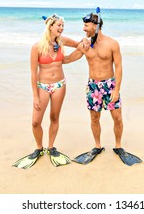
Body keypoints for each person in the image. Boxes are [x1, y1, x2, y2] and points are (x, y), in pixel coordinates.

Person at [63, 9, 142, 166]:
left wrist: (116, 89)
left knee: (117, 118)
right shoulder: (85, 45)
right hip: (93, 86)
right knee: (94, 118)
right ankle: (97, 146)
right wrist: (51, 54)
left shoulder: (112, 44)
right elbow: (67, 59)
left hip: (110, 85)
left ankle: (118, 146)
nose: (83, 29)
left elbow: (119, 67)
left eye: (86, 25)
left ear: (96, 25)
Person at [13, 14, 88, 168]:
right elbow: (33, 73)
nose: (61, 28)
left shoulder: (62, 41)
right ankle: (38, 148)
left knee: (54, 117)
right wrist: (35, 96)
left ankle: (51, 147)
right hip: (43, 86)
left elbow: (79, 45)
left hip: (59, 84)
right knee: (36, 122)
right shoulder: (37, 47)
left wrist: (85, 42)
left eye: (62, 25)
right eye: (58, 25)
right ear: (50, 27)